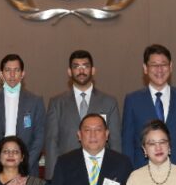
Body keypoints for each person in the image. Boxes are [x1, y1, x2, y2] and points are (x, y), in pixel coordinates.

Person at [122, 44, 176, 175]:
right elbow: (127, 142)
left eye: (164, 64)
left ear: (170, 67)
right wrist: (130, 174)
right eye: (154, 65)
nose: (159, 69)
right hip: (143, 173)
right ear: (145, 69)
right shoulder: (132, 100)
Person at [45, 49, 122, 177]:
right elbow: (52, 142)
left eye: (85, 66)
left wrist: (116, 173)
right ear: (69, 72)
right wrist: (53, 177)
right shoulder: (56, 103)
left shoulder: (109, 102)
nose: (81, 71)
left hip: (101, 170)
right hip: (67, 171)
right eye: (76, 67)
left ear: (93, 70)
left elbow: (115, 142)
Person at [0, 53, 46, 177]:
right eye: (8, 70)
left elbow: (39, 137)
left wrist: (25, 164)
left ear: (23, 74)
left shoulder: (35, 101)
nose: (12, 75)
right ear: (1, 74)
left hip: (27, 170)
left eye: (17, 70)